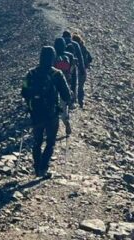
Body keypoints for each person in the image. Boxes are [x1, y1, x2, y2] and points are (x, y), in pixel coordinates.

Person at [21, 46, 73, 177]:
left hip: (35, 113)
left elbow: (24, 91)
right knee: (50, 142)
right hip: (51, 114)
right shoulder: (56, 74)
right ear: (53, 58)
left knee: (37, 141)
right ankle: (44, 168)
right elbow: (66, 95)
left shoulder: (31, 73)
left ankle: (37, 167)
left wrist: (31, 103)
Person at [62, 29, 86, 108]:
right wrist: (82, 69)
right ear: (70, 36)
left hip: (61, 66)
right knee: (73, 82)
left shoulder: (61, 42)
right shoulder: (75, 44)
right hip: (72, 66)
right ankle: (72, 101)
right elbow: (80, 57)